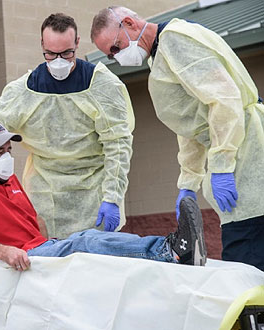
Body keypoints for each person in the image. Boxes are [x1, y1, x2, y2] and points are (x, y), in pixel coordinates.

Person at [0, 13, 135, 239]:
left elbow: (118, 145)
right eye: (51, 54)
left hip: (94, 194)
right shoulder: (24, 91)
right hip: (44, 195)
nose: (59, 60)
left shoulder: (103, 86)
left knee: (95, 262)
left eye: (67, 53)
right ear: (42, 45)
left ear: (77, 43)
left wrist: (112, 196)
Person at [90, 7, 264, 271]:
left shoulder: (176, 41)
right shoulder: (162, 54)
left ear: (129, 23)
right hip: (243, 152)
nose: (117, 57)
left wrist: (222, 165)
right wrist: (189, 183)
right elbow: (192, 127)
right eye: (111, 55)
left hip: (249, 154)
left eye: (116, 47)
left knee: (248, 264)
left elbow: (223, 100)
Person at [0, 120, 207, 269]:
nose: (7, 156)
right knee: (85, 243)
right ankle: (170, 250)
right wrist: (4, 252)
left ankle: (171, 251)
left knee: (85, 237)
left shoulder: (8, 179)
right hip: (19, 259)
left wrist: (48, 240)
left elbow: (35, 223)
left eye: (9, 150)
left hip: (40, 248)